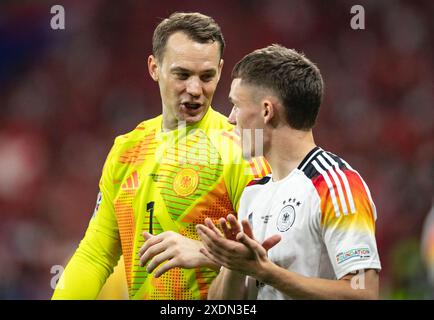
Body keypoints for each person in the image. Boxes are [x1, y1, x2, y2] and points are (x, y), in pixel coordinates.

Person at [51, 12, 269, 300]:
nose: (194, 90)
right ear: (154, 67)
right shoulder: (127, 149)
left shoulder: (244, 150)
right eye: (182, 74)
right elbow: (95, 255)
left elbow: (273, 257)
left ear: (220, 70)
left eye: (207, 76)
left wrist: (206, 253)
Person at [196, 44, 381, 300]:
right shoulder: (253, 193)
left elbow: (365, 293)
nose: (230, 118)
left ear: (266, 111)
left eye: (236, 105)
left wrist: (267, 272)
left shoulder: (337, 184)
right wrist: (233, 264)